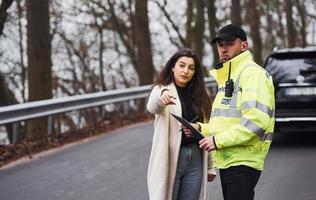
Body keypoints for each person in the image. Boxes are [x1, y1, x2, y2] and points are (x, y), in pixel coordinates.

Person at [195, 24, 275, 200]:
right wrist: (200, 129)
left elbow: (255, 123)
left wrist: (216, 141)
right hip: (230, 159)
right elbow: (226, 122)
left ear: (244, 46)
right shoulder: (229, 76)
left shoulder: (252, 74)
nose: (224, 49)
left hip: (243, 160)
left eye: (229, 44)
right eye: (220, 45)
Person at [146, 48, 216, 200]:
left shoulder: (201, 96)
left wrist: (211, 166)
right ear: (173, 67)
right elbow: (152, 106)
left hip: (196, 158)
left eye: (191, 68)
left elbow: (207, 130)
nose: (186, 71)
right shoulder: (162, 90)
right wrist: (162, 95)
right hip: (171, 158)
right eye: (182, 65)